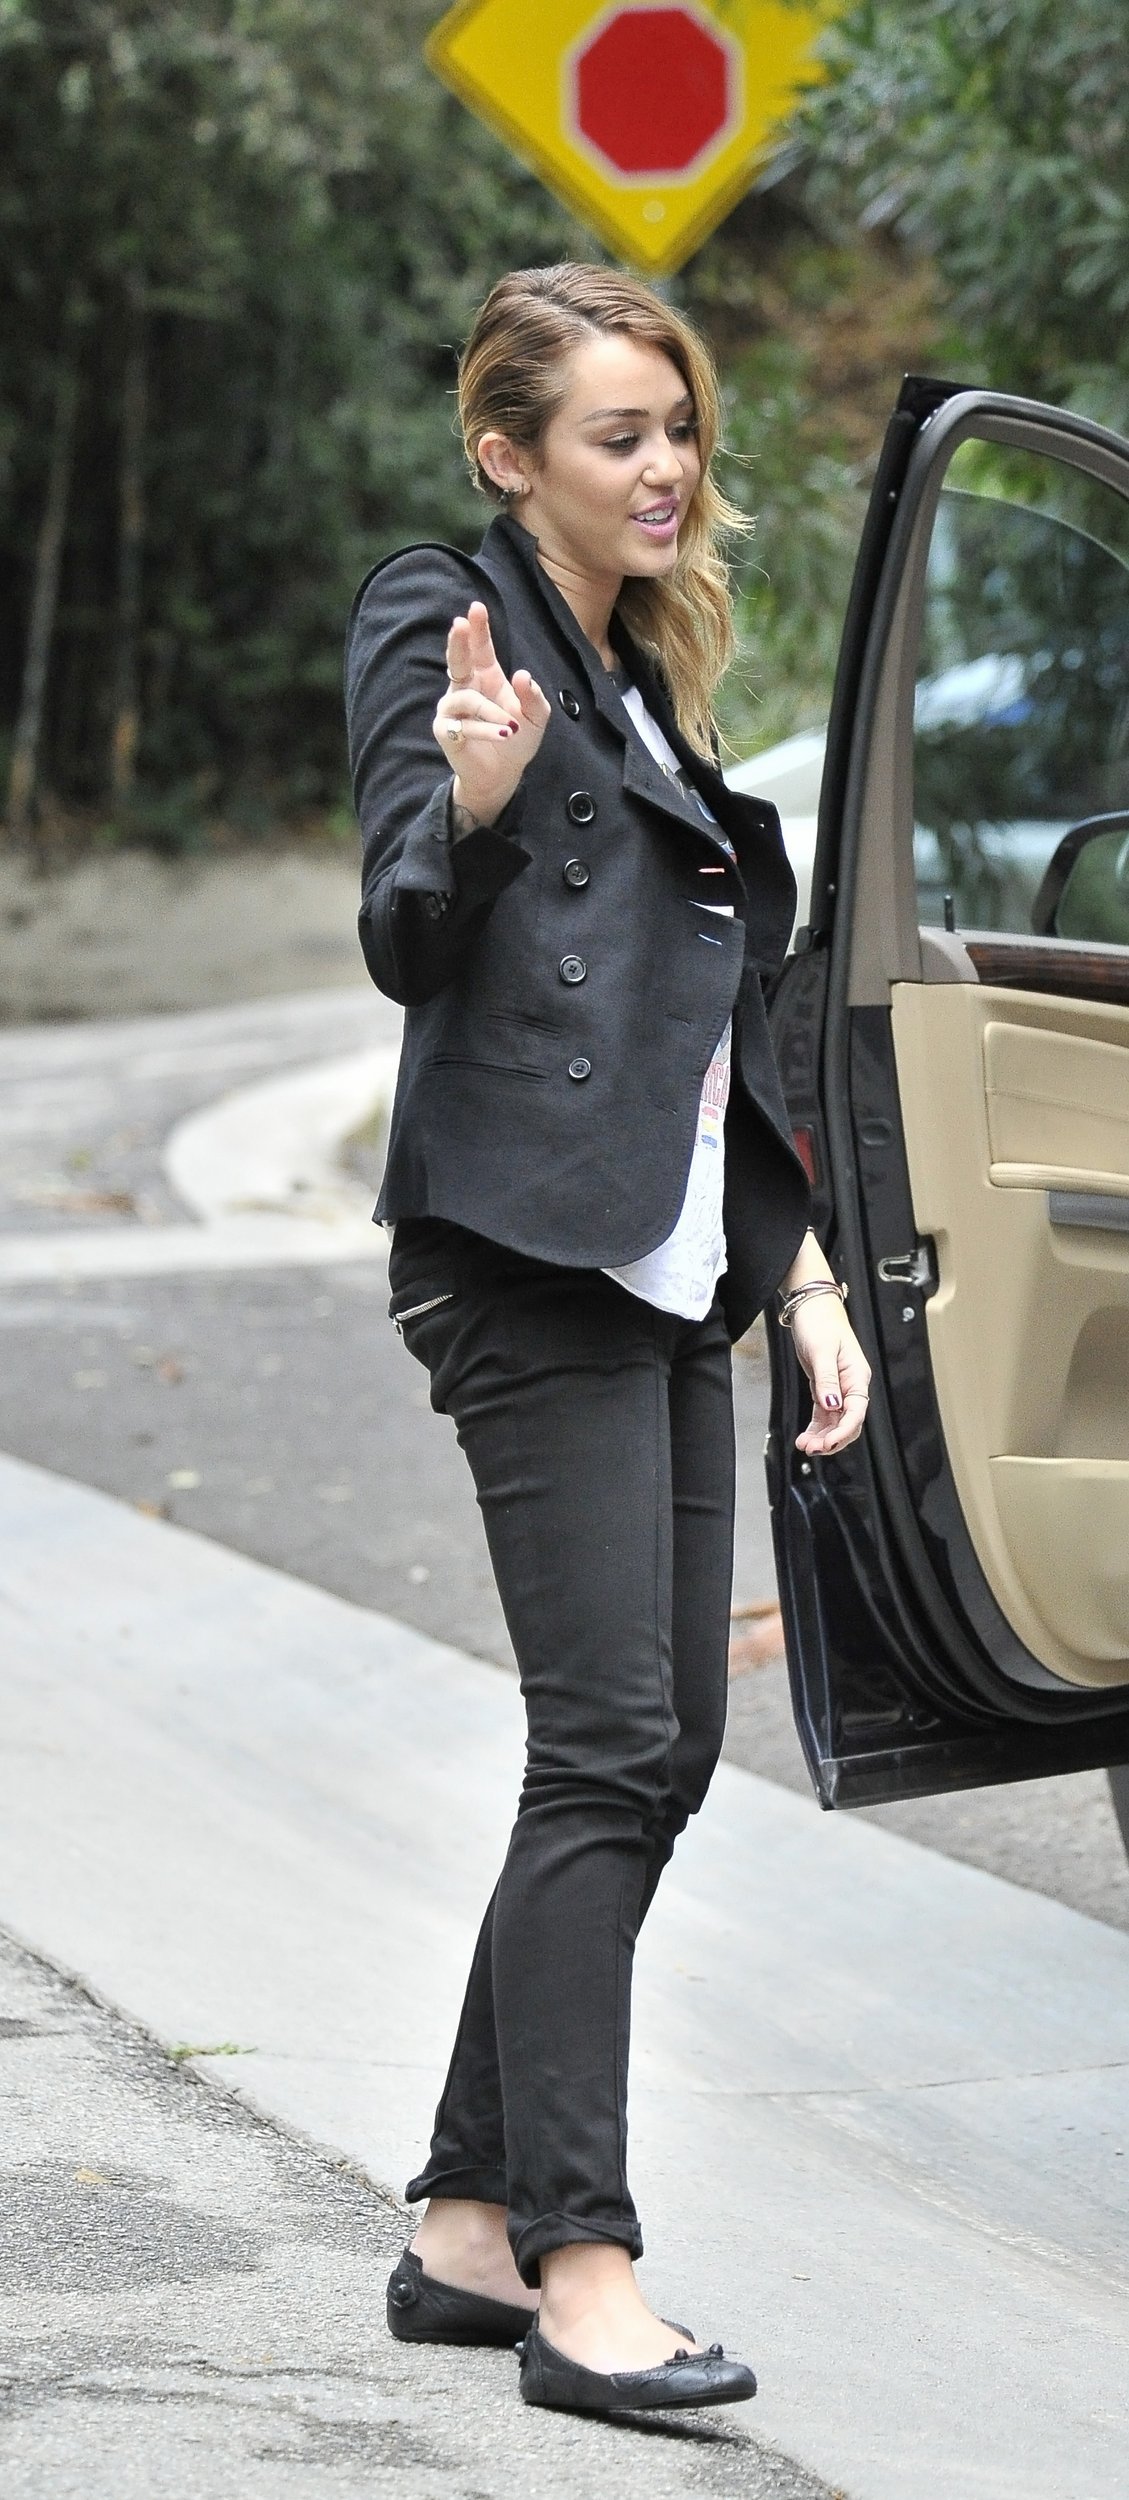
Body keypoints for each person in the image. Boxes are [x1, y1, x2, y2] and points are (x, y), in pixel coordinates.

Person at [345, 262, 870, 2421]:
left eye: (678, 429)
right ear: (510, 456)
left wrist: (801, 1277)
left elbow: (709, 1036)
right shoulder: (443, 613)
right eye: (616, 435)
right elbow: (402, 925)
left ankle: (466, 2225)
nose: (665, 468)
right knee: (599, 1746)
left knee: (656, 1753)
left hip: (659, 1270)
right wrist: (473, 805)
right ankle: (584, 2265)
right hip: (519, 1252)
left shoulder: (652, 675)